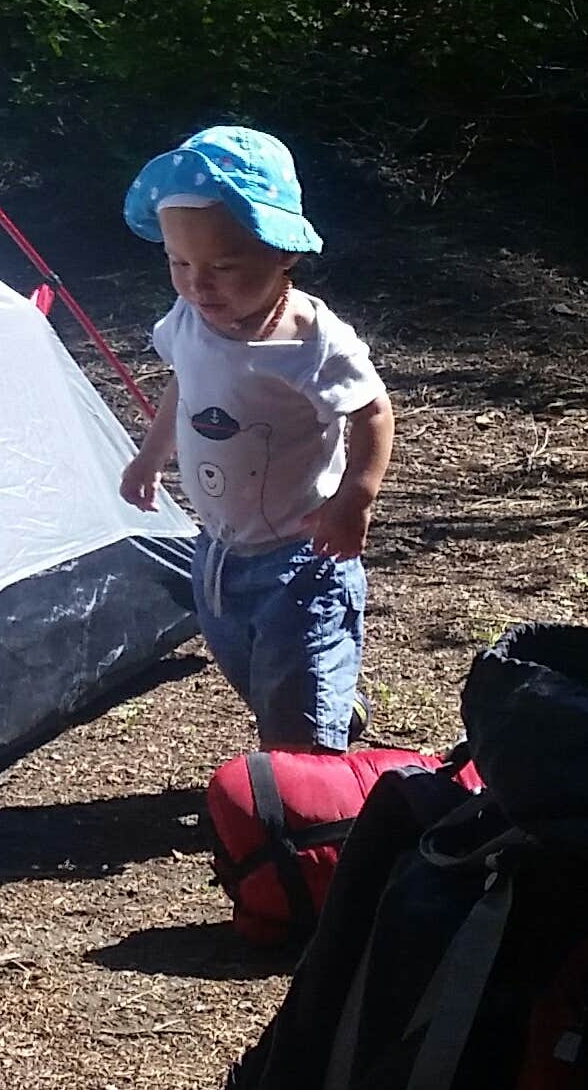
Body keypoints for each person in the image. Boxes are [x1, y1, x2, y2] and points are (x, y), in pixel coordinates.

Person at [117, 124, 399, 752]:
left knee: (295, 704)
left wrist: (354, 499)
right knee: (252, 669)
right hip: (217, 548)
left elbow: (372, 412)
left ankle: (313, 807)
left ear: (284, 253)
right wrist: (152, 453)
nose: (197, 284)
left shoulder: (310, 342)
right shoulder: (189, 321)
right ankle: (331, 710)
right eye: (179, 263)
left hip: (302, 554)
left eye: (223, 266)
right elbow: (184, 386)